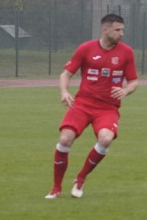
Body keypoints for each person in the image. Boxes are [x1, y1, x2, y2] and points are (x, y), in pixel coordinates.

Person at [46, 13, 139, 199]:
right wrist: (64, 92)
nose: (121, 34)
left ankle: (80, 178)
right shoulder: (86, 49)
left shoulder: (126, 52)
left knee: (106, 139)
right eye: (117, 30)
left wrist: (125, 91)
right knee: (65, 140)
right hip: (82, 105)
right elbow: (65, 75)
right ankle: (56, 188)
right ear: (105, 30)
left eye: (122, 30)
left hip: (108, 108)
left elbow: (134, 81)